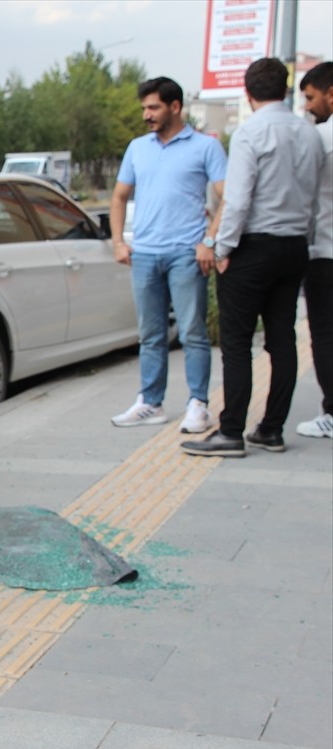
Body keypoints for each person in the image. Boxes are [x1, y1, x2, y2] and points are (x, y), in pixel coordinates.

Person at [183, 58, 325, 458]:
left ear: (248, 93)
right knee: (282, 339)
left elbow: (239, 200)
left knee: (237, 343)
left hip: (253, 247)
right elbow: (313, 198)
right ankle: (272, 429)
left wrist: (220, 248)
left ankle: (230, 432)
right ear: (286, 88)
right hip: (295, 245)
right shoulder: (310, 134)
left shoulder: (250, 133)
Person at [110, 77, 227, 433]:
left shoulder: (205, 147)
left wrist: (209, 240)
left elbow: (229, 195)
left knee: (192, 332)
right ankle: (150, 402)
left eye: (153, 107)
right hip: (144, 253)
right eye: (144, 108)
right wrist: (118, 241)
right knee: (150, 334)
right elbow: (118, 197)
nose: (146, 114)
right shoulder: (137, 148)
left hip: (185, 254)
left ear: (175, 107)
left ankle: (198, 405)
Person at [296, 61, 333, 438]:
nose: (308, 106)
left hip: (325, 252)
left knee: (325, 334)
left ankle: (332, 413)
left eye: (311, 97)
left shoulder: (321, 138)